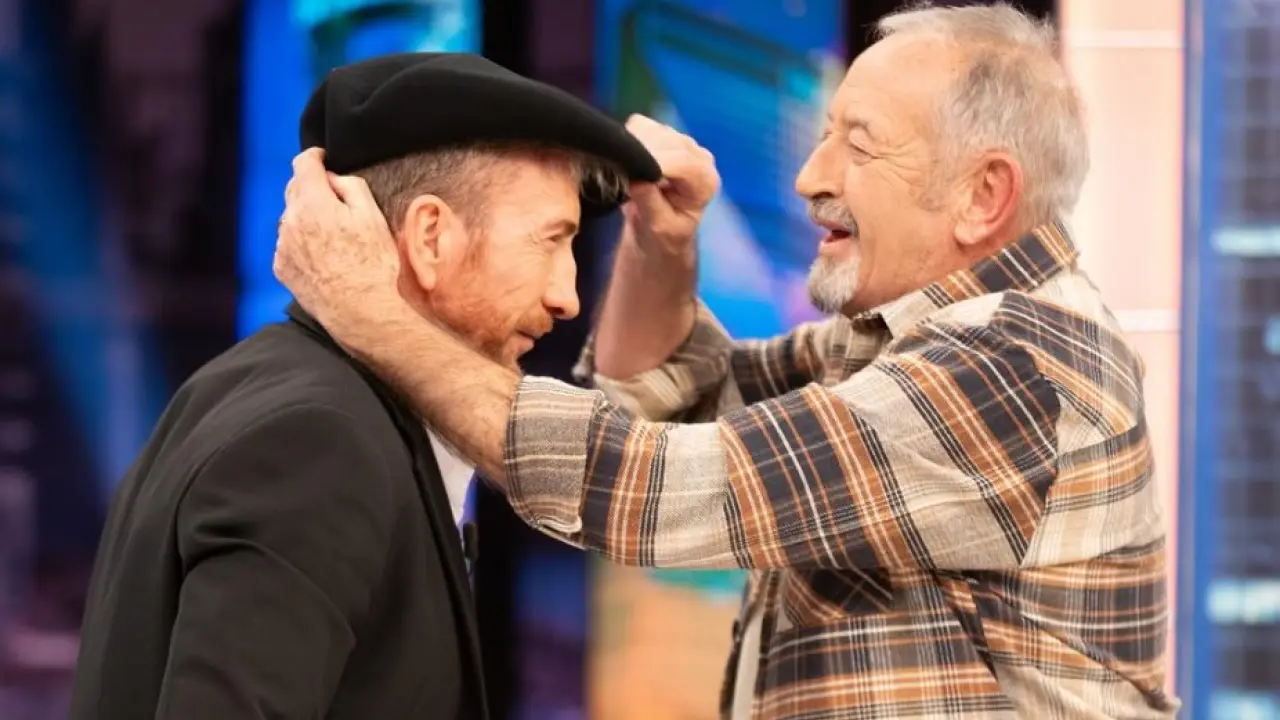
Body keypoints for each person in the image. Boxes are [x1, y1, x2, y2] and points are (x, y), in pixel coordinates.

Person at [273, 4, 1180, 719]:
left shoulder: (1014, 368)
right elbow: (669, 402)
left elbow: (640, 481)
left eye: (859, 144)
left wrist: (365, 307)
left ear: (984, 196)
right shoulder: (906, 343)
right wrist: (661, 242)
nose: (811, 176)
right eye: (824, 132)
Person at [69, 52, 659, 720]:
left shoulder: (259, 389)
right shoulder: (317, 440)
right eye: (550, 241)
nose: (567, 298)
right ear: (430, 237)